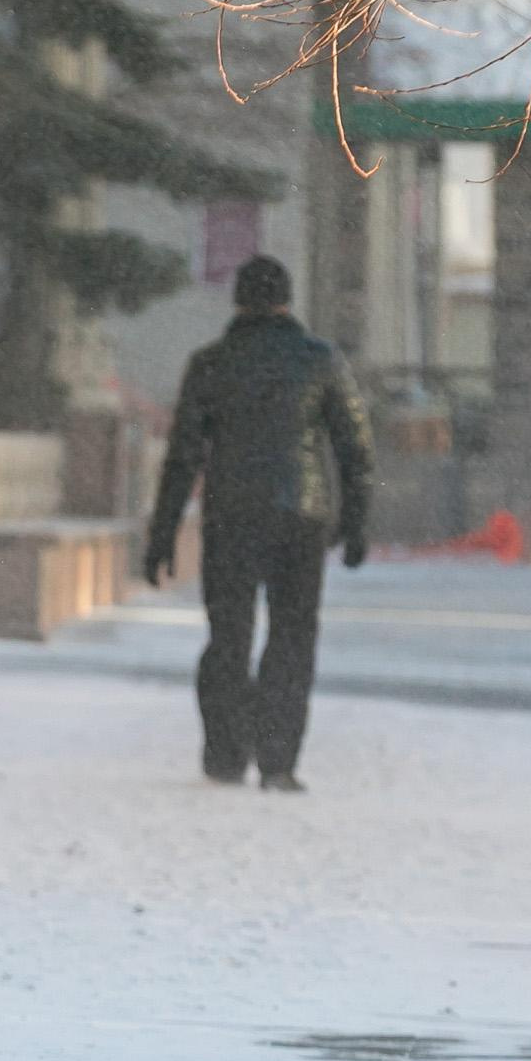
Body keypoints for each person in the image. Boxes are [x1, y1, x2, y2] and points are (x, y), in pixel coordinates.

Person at [140, 255, 374, 793]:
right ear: (287, 302)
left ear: (238, 302)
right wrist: (356, 523)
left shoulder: (212, 364)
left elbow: (183, 458)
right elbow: (355, 450)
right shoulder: (321, 361)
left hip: (232, 517)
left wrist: (162, 534)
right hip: (303, 517)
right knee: (293, 635)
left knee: (229, 636)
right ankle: (278, 760)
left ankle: (226, 752)